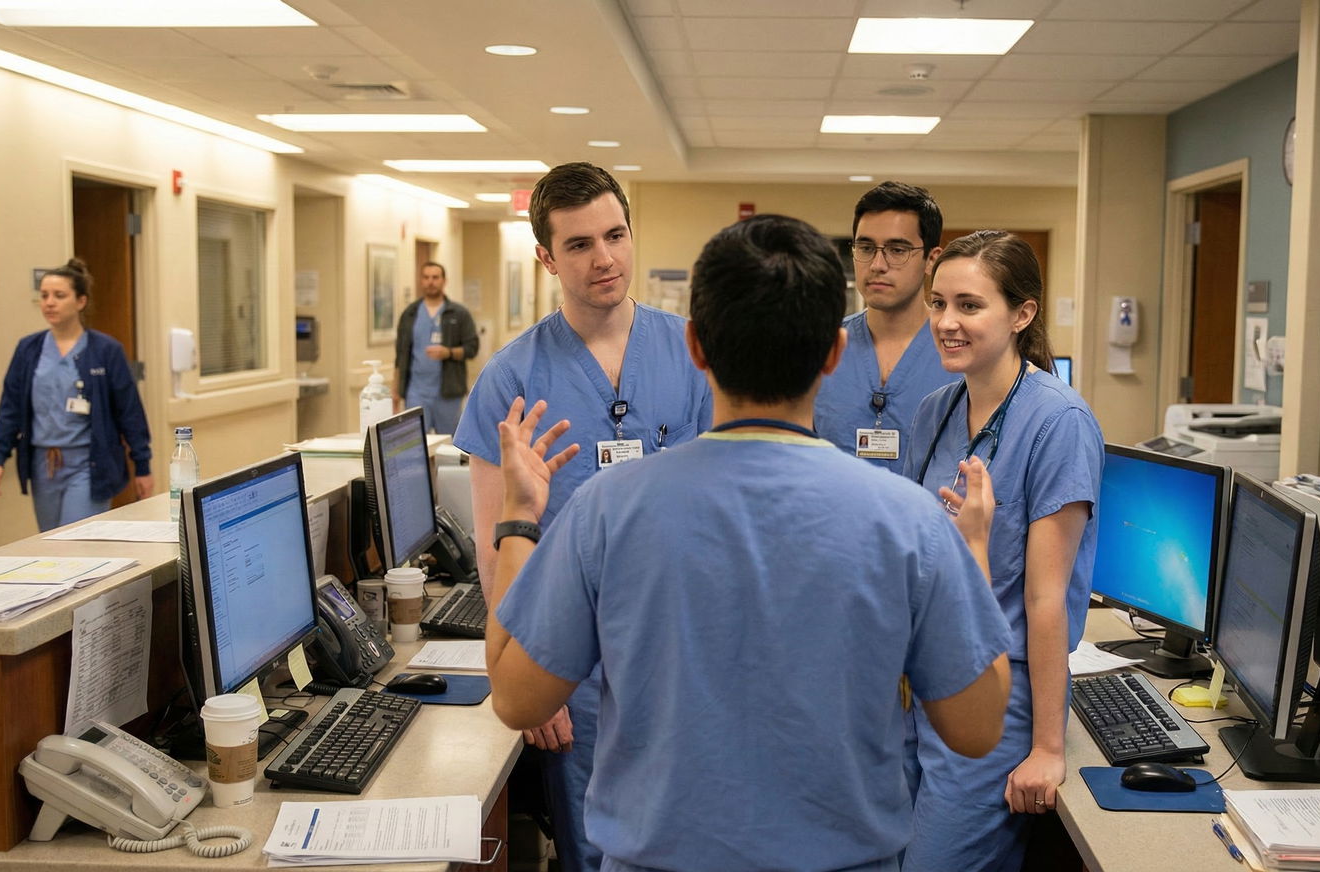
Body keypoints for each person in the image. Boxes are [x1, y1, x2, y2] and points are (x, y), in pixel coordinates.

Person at [484, 214, 1014, 872]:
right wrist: (974, 555)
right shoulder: (909, 521)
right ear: (832, 354)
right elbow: (978, 727)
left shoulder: (607, 508)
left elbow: (515, 697)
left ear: (696, 347)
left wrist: (517, 518)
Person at [453, 162, 711, 872]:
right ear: (546, 257)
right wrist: (528, 677)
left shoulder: (692, 353)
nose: (604, 258)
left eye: (616, 235)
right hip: (573, 658)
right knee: (595, 852)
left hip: (682, 648)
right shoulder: (511, 376)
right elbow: (490, 540)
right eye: (578, 245)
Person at [902, 230, 1103, 872]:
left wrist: (1047, 747)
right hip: (922, 682)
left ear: (1022, 314)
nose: (947, 322)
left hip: (1002, 691)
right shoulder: (935, 411)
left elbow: (1047, 601)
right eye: (938, 304)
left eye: (969, 305)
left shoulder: (1058, 424)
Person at [0, 258, 152, 531]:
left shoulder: (105, 350)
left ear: (81, 301)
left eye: (59, 296)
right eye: (44, 296)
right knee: (52, 545)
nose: (49, 302)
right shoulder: (29, 349)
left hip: (89, 463)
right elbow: (10, 407)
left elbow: (129, 411)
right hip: (43, 464)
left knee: (77, 543)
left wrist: (142, 465)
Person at [814, 181, 956, 473]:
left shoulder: (959, 352)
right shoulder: (819, 349)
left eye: (897, 249)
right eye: (866, 247)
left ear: (931, 259)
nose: (878, 264)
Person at [394, 261, 479, 436]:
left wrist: (448, 352)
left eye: (435, 277)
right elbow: (400, 355)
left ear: (444, 281)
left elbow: (472, 348)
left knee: (449, 448)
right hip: (416, 392)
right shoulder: (410, 314)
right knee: (415, 443)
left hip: (448, 394)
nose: (430, 282)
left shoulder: (458, 313)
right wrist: (395, 391)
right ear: (421, 281)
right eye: (426, 277)